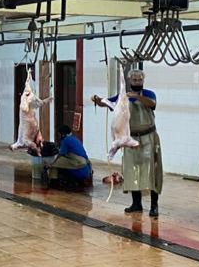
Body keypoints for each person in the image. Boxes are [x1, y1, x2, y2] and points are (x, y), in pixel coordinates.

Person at [92, 69, 163, 217]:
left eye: (139, 80)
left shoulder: (149, 94)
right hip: (131, 138)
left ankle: (154, 206)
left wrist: (137, 96)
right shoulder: (122, 97)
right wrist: (97, 100)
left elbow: (152, 104)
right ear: (130, 81)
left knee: (151, 172)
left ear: (143, 81)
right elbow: (107, 102)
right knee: (132, 172)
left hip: (148, 138)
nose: (137, 82)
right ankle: (136, 204)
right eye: (134, 80)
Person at [46, 125, 92, 190]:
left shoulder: (66, 140)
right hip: (87, 170)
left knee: (55, 164)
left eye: (59, 135)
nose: (59, 137)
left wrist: (51, 164)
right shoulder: (75, 139)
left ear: (63, 134)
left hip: (80, 169)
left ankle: (53, 183)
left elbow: (60, 155)